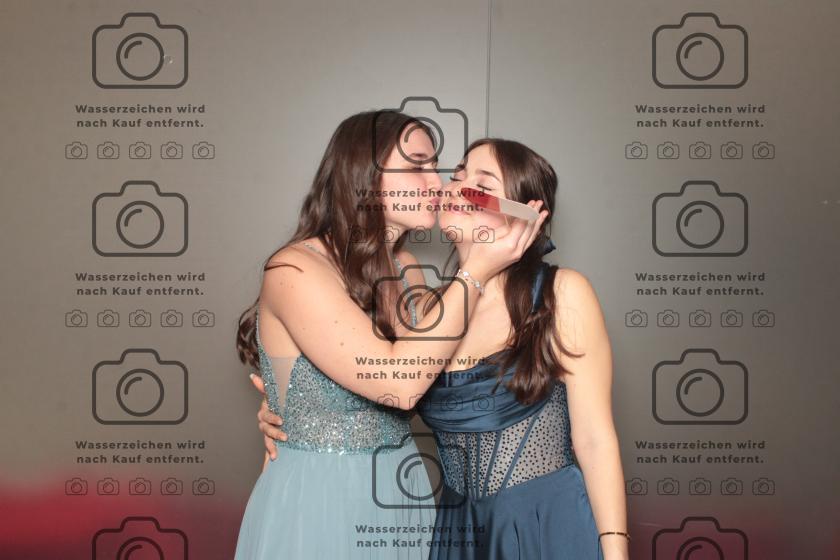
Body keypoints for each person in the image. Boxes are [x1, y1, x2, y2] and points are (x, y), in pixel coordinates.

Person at [253, 138, 629, 560]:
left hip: (544, 522)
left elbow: (595, 440)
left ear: (523, 213)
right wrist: (293, 407)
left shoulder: (562, 294)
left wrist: (615, 553)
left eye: (481, 185)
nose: (456, 188)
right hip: (456, 531)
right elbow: (378, 384)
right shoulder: (428, 314)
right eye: (459, 176)